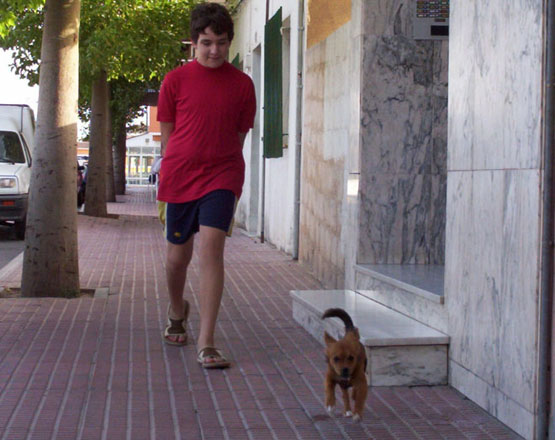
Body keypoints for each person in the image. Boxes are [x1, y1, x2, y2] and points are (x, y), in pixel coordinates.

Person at [156, 2, 256, 369]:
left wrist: (221, 166)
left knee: (212, 250)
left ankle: (207, 341)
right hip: (180, 177)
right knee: (176, 259)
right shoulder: (174, 81)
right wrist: (181, 164)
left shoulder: (243, 85)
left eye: (222, 42)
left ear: (230, 42)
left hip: (222, 176)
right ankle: (177, 310)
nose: (215, 50)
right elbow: (168, 139)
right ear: (194, 43)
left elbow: (239, 136)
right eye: (207, 43)